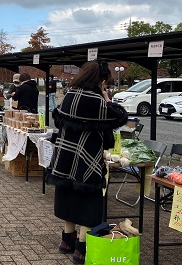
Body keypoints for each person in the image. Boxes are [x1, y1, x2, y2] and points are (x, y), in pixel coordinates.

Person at [46, 60, 128, 264]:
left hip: (65, 156)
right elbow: (119, 117)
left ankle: (67, 241)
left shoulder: (70, 95)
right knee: (89, 202)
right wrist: (107, 98)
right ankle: (81, 249)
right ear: (100, 79)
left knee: (68, 196)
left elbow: (59, 120)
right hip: (87, 158)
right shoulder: (95, 100)